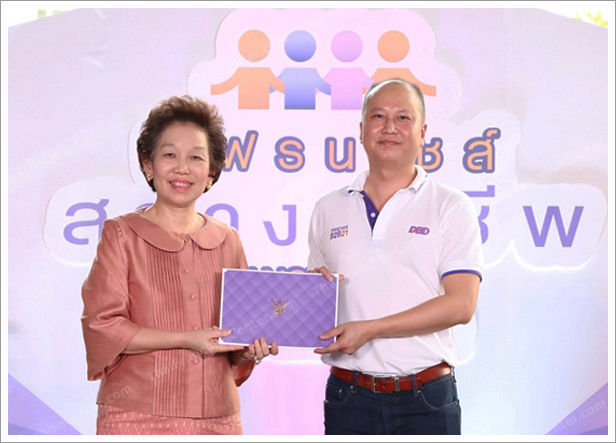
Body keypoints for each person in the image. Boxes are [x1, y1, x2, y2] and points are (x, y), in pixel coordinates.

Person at [81, 96, 278, 435]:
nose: (182, 168)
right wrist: (187, 339)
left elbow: (234, 343)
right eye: (169, 155)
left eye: (196, 157)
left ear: (211, 172)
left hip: (218, 419)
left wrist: (249, 351)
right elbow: (103, 326)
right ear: (148, 164)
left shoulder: (228, 240)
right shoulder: (121, 234)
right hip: (134, 416)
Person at [308, 78, 483, 435]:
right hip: (347, 396)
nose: (389, 127)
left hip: (426, 398)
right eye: (378, 116)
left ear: (422, 132)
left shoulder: (450, 206)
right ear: (361, 130)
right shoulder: (327, 208)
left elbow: (461, 305)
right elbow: (317, 301)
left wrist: (371, 329)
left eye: (403, 117)